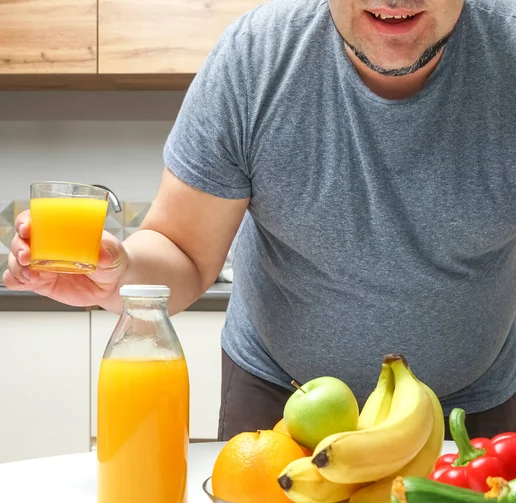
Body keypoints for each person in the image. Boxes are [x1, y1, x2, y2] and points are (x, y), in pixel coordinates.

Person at [4, 0, 516, 441]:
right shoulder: (255, 59)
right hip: (277, 399)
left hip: (472, 409)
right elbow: (183, 253)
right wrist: (117, 276)